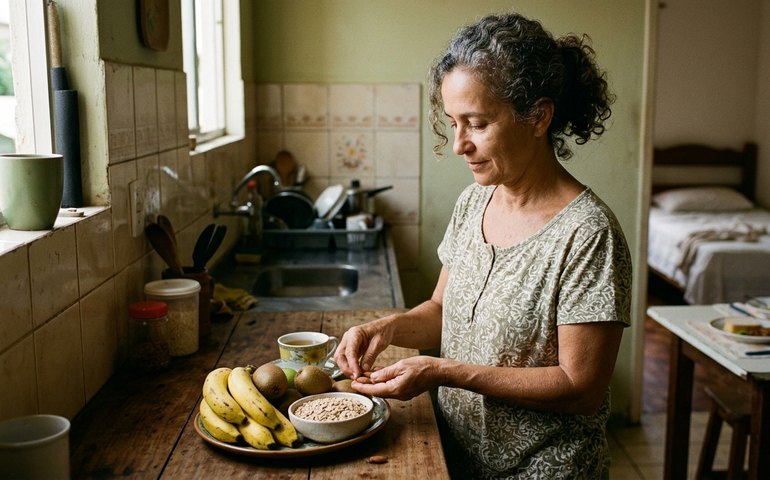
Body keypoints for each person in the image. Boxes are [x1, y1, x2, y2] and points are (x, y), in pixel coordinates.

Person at [334, 11, 632, 479]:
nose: (459, 145)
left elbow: (581, 387)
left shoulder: (588, 234)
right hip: (455, 459)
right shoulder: (474, 202)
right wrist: (385, 329)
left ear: (538, 117)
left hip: (541, 471)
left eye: (475, 123)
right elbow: (441, 310)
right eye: (452, 123)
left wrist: (442, 372)